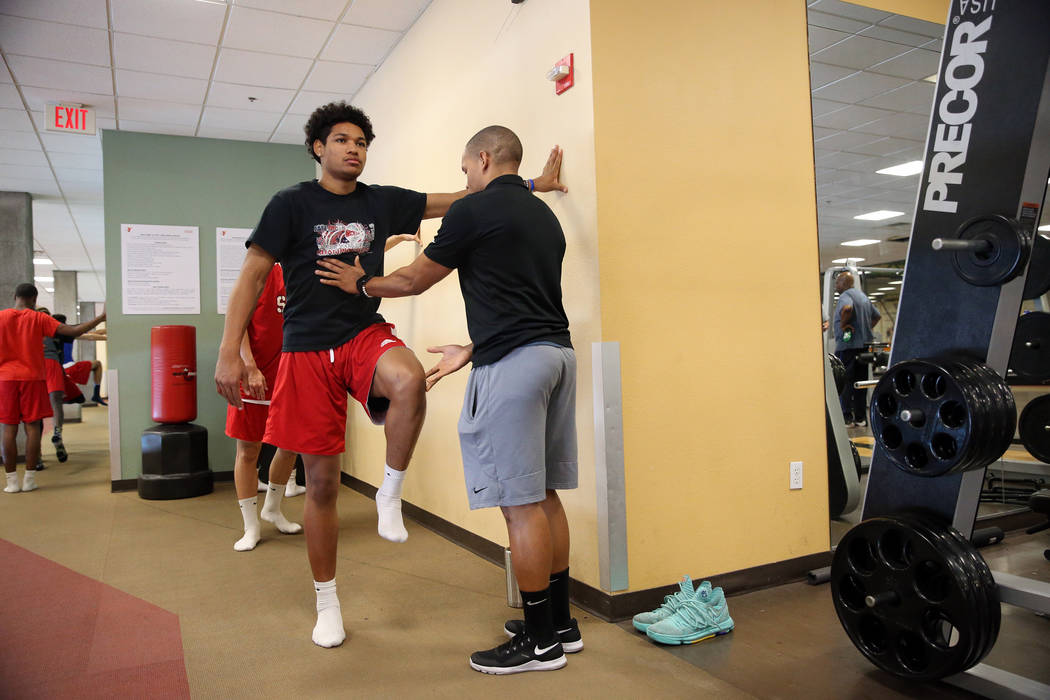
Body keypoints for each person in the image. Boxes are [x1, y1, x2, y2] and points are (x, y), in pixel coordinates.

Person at [214, 102, 565, 649]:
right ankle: (326, 601)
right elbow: (252, 275)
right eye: (342, 140)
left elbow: (466, 196)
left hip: (361, 332)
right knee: (323, 484)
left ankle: (389, 493)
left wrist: (532, 184)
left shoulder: (381, 201)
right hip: (305, 348)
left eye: (361, 142)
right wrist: (230, 350)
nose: (353, 148)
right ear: (318, 148)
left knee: (407, 380)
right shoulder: (290, 204)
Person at [316, 125, 576, 675]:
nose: (465, 180)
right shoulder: (541, 216)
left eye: (465, 170)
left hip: (515, 367)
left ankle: (539, 644)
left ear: (483, 159)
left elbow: (412, 280)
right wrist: (472, 347)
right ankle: (559, 623)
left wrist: (360, 284)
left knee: (520, 504)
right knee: (544, 492)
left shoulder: (473, 211)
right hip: (555, 355)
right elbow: (523, 299)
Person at [225, 263, 303, 552]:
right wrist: (249, 365)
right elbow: (239, 323)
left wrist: (396, 237)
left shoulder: (304, 268)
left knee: (290, 445)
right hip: (254, 377)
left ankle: (272, 508)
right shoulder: (260, 269)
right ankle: (250, 526)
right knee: (248, 451)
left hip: (291, 375)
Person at [1, 284, 105, 493]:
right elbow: (74, 331)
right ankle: (29, 479)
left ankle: (11, 482)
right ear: (34, 298)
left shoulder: (1, 317)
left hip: (5, 380)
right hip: (33, 378)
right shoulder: (39, 318)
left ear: (15, 296)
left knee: (8, 430)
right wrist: (101, 317)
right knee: (32, 428)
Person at [833, 271, 881, 427]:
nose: (836, 286)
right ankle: (861, 418)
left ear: (844, 283)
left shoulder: (845, 296)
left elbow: (847, 309)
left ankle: (847, 417)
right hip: (864, 346)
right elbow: (877, 316)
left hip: (848, 347)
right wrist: (866, 329)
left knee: (845, 380)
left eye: (837, 282)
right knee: (861, 382)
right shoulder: (863, 297)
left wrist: (843, 325)